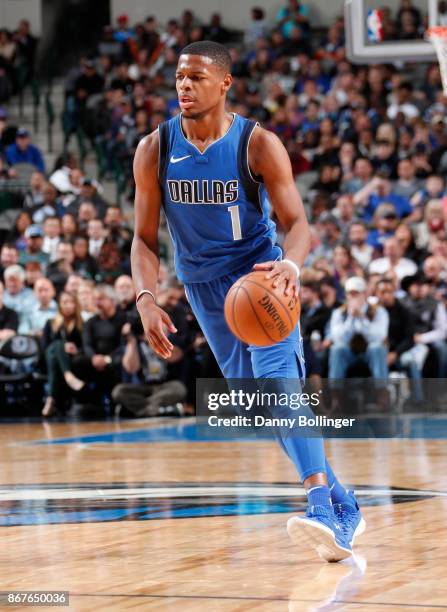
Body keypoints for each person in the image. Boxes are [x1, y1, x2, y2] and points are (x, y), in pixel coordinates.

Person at [131, 41, 364, 563]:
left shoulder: (257, 143)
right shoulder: (155, 148)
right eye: (179, 77)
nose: (184, 86)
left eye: (195, 77)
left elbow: (298, 224)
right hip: (205, 289)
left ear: (225, 83)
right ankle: (345, 500)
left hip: (261, 279)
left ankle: (322, 507)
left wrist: (291, 266)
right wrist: (145, 296)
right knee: (260, 404)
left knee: (281, 383)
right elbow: (144, 238)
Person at [326, 276, 389, 383]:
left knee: (377, 347)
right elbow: (337, 339)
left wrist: (362, 318)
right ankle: (335, 395)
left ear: (364, 294)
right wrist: (350, 318)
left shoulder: (378, 311)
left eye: (356, 294)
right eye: (350, 294)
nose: (353, 297)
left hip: (369, 354)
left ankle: (382, 393)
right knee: (337, 349)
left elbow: (379, 337)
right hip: (349, 353)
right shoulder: (339, 313)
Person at [41, 291, 85, 417]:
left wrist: (76, 350)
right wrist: (61, 347)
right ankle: (68, 376)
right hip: (48, 359)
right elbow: (45, 348)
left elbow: (85, 346)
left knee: (56, 350)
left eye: (71, 302)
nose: (68, 305)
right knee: (57, 346)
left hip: (72, 360)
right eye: (65, 302)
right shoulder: (50, 323)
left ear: (76, 305)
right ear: (59, 305)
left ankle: (50, 399)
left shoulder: (81, 324)